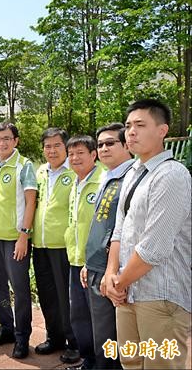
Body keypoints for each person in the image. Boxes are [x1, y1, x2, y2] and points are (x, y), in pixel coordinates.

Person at [105, 99, 191, 369]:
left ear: (162, 130)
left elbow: (155, 246)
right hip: (127, 292)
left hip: (160, 294)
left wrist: (118, 282)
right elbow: (119, 228)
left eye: (140, 125)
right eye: (129, 125)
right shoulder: (132, 173)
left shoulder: (172, 175)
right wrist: (110, 274)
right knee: (130, 362)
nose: (131, 132)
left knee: (160, 366)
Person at [0, 122, 37, 359]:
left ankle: (22, 337)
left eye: (6, 138)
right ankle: (6, 328)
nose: (1, 143)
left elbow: (31, 201)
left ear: (16, 141)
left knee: (20, 289)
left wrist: (23, 235)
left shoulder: (24, 166)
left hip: (15, 239)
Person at [81, 123, 133, 369]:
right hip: (96, 266)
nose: (103, 148)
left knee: (110, 339)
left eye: (110, 143)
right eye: (100, 144)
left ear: (126, 145)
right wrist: (88, 262)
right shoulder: (108, 176)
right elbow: (100, 225)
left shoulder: (130, 178)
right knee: (101, 335)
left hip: (112, 272)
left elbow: (123, 231)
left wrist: (111, 270)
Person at [31, 128, 80, 364]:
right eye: (47, 146)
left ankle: (74, 341)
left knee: (65, 296)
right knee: (47, 294)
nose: (52, 150)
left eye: (57, 145)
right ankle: (55, 337)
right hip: (39, 244)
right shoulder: (40, 172)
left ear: (66, 147)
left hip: (62, 245)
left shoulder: (74, 173)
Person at [64, 135, 104, 370]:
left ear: (93, 155)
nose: (75, 158)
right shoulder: (75, 182)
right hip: (75, 259)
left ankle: (104, 364)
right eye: (71, 154)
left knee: (99, 318)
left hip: (96, 263)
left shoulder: (101, 182)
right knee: (78, 316)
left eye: (80, 152)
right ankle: (88, 361)